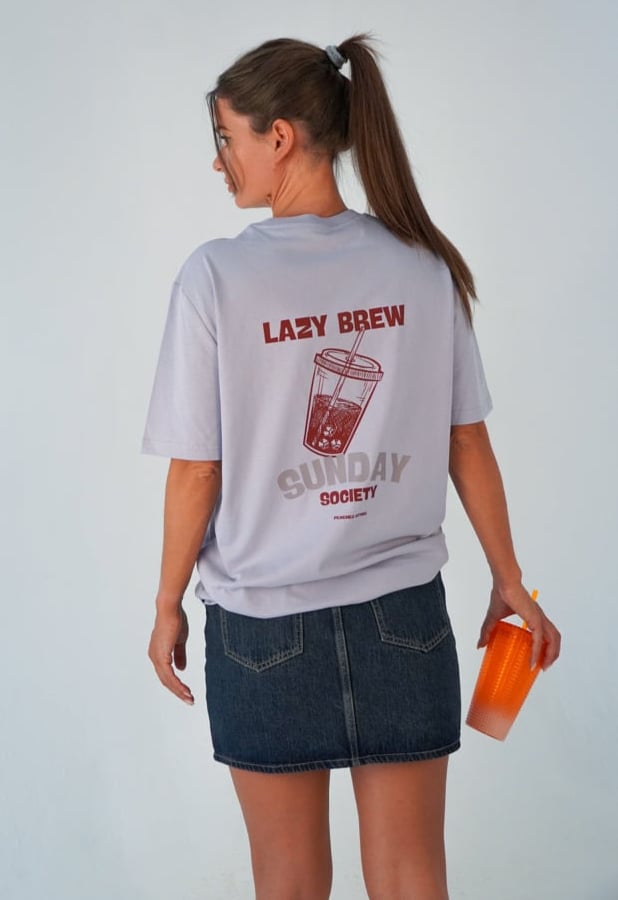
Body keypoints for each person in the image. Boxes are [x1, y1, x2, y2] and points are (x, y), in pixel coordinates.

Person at [143, 35, 561, 900]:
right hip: (404, 619)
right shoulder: (421, 260)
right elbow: (467, 439)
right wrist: (508, 580)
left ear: (280, 137)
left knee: (290, 883)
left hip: (264, 627)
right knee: (412, 878)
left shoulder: (216, 277)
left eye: (226, 137)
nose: (219, 160)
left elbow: (196, 471)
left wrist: (165, 602)